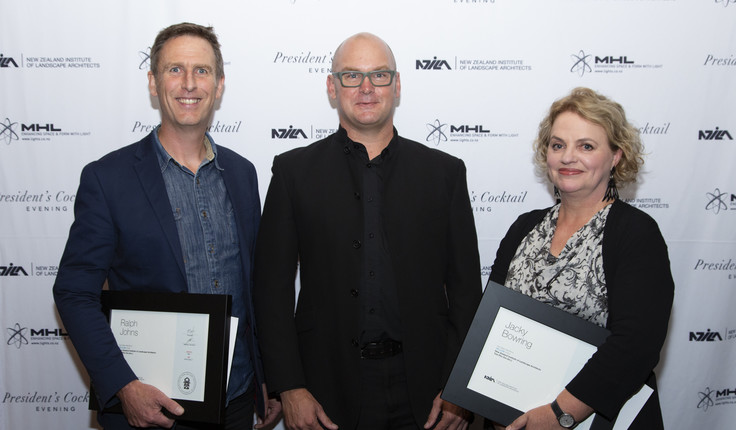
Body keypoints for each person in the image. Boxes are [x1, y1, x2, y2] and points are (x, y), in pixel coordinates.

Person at [53, 22, 280, 430]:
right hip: (151, 409)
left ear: (220, 84)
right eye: (175, 70)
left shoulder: (243, 174)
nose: (189, 84)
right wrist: (123, 385)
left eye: (202, 71)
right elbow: (73, 291)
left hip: (236, 401)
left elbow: (253, 286)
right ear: (154, 83)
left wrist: (270, 377)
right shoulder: (108, 179)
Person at [253, 32, 482, 430]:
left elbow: (465, 292)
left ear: (396, 85)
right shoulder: (293, 173)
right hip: (324, 391)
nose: (365, 88)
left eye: (378, 75)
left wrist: (457, 388)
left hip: (429, 392)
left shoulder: (444, 173)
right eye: (351, 76)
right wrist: (290, 387)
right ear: (331, 86)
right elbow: (270, 290)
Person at [487, 87, 673, 430]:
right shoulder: (523, 227)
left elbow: (636, 345)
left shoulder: (636, 234)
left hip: (597, 420)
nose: (568, 157)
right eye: (558, 145)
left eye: (586, 146)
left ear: (616, 156)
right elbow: (492, 323)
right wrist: (491, 404)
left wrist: (558, 416)